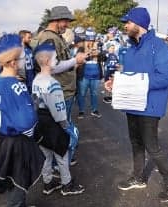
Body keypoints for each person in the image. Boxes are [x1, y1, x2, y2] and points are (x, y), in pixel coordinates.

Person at [105, 7, 168, 203]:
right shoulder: (130, 49)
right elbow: (128, 76)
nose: (125, 26)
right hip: (132, 104)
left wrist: (137, 82)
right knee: (136, 143)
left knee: (152, 146)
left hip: (150, 106)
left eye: (127, 22)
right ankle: (138, 177)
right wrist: (115, 82)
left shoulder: (159, 46)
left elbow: (165, 78)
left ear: (138, 24)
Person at [0, 34, 44, 207]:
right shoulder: (16, 86)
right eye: (22, 57)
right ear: (13, 62)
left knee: (13, 177)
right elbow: (28, 121)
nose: (24, 60)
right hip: (17, 140)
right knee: (18, 178)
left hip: (3, 136)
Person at [36, 5, 87, 165]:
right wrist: (75, 60)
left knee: (62, 130)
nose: (67, 25)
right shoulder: (49, 38)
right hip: (60, 93)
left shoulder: (55, 37)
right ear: (57, 20)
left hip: (64, 91)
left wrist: (74, 64)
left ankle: (63, 159)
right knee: (59, 131)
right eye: (66, 21)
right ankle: (59, 165)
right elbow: (52, 66)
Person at [32, 40, 85, 196]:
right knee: (62, 153)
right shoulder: (52, 83)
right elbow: (59, 112)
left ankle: (47, 183)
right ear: (48, 61)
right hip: (53, 123)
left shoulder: (36, 80)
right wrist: (65, 126)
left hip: (39, 122)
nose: (57, 61)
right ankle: (67, 184)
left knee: (46, 155)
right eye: (55, 58)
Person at [77, 27, 103, 119]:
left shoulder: (98, 47)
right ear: (86, 39)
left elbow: (104, 57)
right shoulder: (81, 48)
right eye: (89, 40)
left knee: (95, 93)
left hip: (95, 76)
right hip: (84, 76)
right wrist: (89, 54)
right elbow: (79, 59)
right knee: (82, 94)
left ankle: (94, 110)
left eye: (92, 39)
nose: (91, 42)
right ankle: (81, 111)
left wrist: (99, 54)